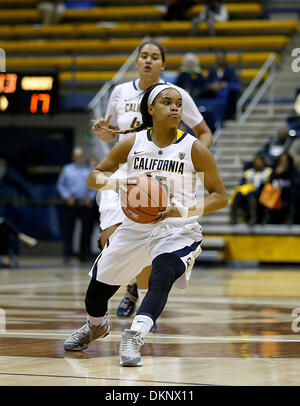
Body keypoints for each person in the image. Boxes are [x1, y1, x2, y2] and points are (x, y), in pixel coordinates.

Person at [64, 83, 228, 367]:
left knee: (161, 275)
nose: (175, 107)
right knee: (96, 292)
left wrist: (182, 209)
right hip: (134, 227)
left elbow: (220, 197)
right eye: (167, 102)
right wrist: (119, 184)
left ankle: (135, 334)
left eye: (178, 102)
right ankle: (95, 326)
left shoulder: (194, 148)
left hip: (178, 229)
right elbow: (94, 177)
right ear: (150, 109)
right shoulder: (133, 143)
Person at [91, 40, 213, 320]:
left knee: (151, 234)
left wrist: (196, 156)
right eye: (143, 55)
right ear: (136, 61)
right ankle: (131, 286)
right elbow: (113, 133)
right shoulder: (120, 92)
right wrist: (103, 132)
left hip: (160, 171)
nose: (148, 61)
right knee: (108, 237)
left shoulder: (176, 94)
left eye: (154, 57)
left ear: (163, 64)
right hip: (124, 171)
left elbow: (203, 131)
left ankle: (145, 304)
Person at [56, 147, 96, 263]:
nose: (79, 158)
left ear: (84, 157)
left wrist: (90, 197)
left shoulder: (90, 170)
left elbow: (95, 185)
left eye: (81, 156)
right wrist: (67, 196)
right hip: (71, 204)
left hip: (85, 204)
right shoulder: (66, 169)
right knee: (69, 229)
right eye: (76, 156)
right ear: (73, 157)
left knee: (86, 230)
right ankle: (67, 255)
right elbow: (60, 185)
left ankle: (84, 255)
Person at [229, 155, 272, 225]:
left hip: (261, 191)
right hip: (248, 190)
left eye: (259, 161)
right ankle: (233, 217)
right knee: (237, 194)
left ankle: (253, 217)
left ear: (263, 162)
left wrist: (258, 185)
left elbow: (268, 183)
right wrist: (246, 182)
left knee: (251, 195)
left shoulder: (268, 171)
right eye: (256, 161)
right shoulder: (249, 172)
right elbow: (241, 183)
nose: (257, 163)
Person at [203, 51, 242, 119]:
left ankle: (227, 114)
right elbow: (208, 82)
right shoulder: (212, 70)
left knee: (231, 93)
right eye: (218, 58)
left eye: (221, 58)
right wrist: (212, 86)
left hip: (226, 90)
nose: (220, 60)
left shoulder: (230, 69)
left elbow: (233, 81)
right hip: (214, 91)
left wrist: (223, 85)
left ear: (225, 59)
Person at [261, 152, 297, 225]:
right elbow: (269, 182)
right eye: (281, 161)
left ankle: (290, 218)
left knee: (293, 193)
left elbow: (296, 184)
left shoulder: (293, 171)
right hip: (275, 194)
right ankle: (267, 217)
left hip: (288, 194)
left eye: (285, 161)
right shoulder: (275, 170)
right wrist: (276, 174)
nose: (283, 163)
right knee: (267, 190)